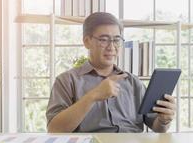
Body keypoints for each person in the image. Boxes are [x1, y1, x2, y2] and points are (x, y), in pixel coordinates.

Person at [46, 12, 176, 133]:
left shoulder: (133, 82)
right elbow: (54, 129)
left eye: (116, 40)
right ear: (87, 42)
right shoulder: (67, 81)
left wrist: (164, 119)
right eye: (103, 40)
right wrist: (93, 96)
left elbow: (157, 126)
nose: (111, 47)